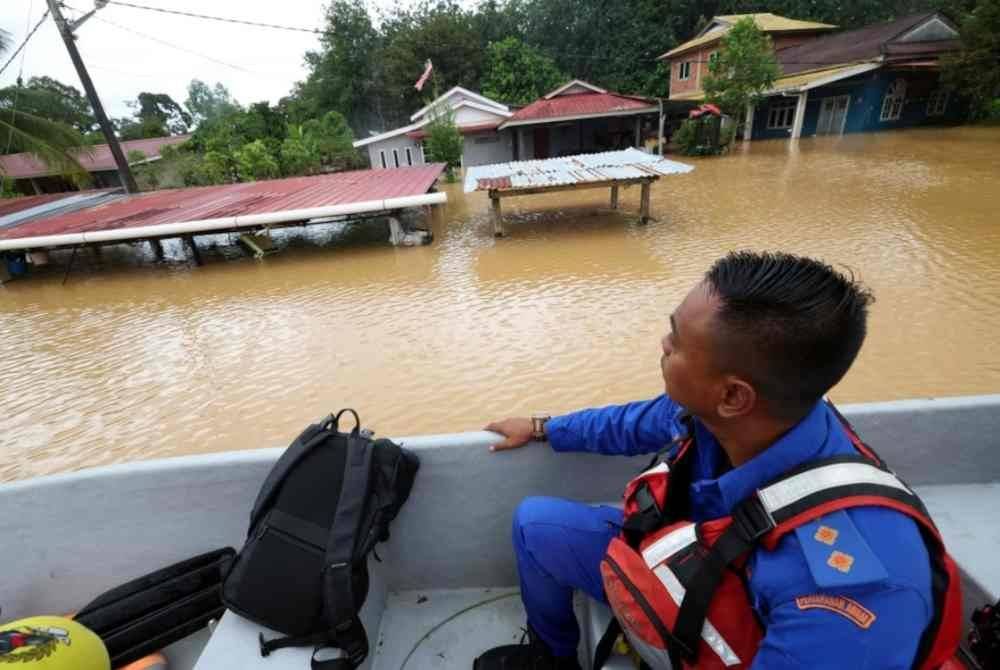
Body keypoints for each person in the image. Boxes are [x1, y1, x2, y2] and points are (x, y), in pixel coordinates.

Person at [474, 251, 938, 669]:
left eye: (675, 341)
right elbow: (631, 422)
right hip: (694, 564)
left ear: (733, 395)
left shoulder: (850, 590)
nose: (663, 345)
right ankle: (553, 658)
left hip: (728, 633)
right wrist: (541, 428)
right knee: (535, 525)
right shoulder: (733, 413)